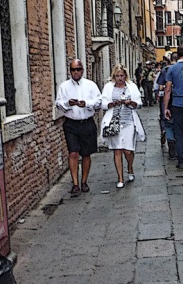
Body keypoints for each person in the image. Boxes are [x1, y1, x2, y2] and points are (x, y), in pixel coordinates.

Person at [54, 58, 102, 197]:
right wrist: (68, 103)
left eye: (78, 69)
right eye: (73, 70)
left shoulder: (91, 85)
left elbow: (98, 102)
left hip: (87, 122)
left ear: (82, 70)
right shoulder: (64, 86)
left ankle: (84, 181)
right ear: (70, 71)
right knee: (73, 153)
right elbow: (59, 103)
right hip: (71, 124)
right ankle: (75, 183)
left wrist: (86, 103)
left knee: (86, 154)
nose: (76, 72)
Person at [99, 65, 143, 188]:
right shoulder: (108, 87)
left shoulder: (132, 87)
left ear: (125, 76)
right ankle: (120, 178)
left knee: (128, 150)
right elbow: (103, 103)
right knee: (117, 150)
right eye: (117, 76)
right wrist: (112, 104)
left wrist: (131, 103)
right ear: (114, 76)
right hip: (114, 122)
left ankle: (130, 168)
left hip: (128, 121)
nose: (120, 78)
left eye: (122, 76)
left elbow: (139, 103)